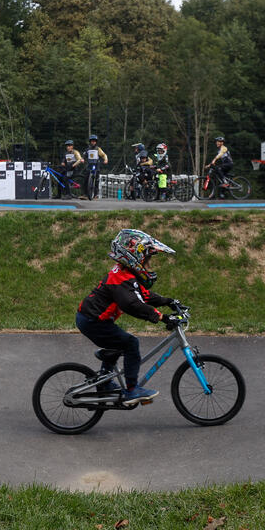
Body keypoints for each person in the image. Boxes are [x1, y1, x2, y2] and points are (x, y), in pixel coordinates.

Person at [76, 228, 183, 404]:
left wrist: (169, 301)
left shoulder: (125, 274)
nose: (148, 265)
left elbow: (143, 295)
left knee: (119, 342)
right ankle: (132, 390)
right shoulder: (121, 279)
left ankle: (105, 379)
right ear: (135, 257)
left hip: (93, 319)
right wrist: (162, 317)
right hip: (93, 321)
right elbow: (133, 305)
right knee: (131, 343)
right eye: (147, 260)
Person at [82, 135, 108, 199]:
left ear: (96, 142)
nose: (93, 142)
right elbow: (84, 156)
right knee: (86, 179)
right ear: (90, 142)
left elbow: (104, 155)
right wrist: (82, 159)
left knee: (96, 180)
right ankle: (85, 194)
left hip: (96, 165)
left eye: (94, 141)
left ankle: (95, 194)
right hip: (89, 165)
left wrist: (105, 159)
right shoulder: (87, 149)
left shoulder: (98, 149)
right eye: (92, 141)